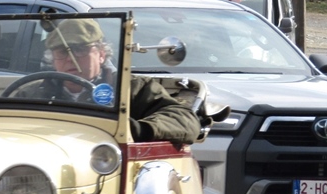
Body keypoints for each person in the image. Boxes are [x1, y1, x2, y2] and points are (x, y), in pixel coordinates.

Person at [15, 19, 202, 144]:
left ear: (101, 54)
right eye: (62, 52)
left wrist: (135, 129)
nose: (70, 59)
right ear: (53, 60)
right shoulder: (32, 95)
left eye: (80, 50)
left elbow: (184, 119)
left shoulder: (130, 88)